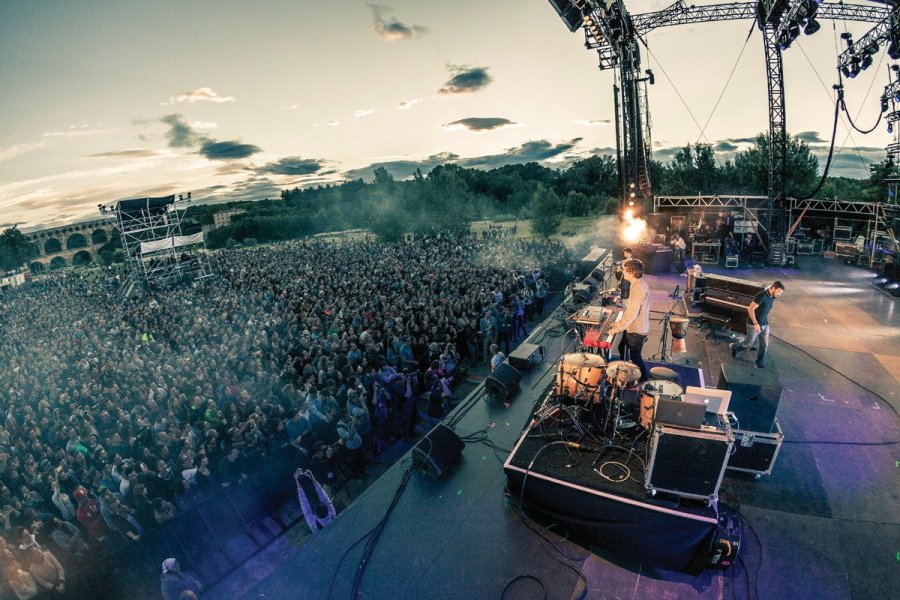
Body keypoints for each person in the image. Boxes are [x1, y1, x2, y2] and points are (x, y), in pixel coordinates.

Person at [608, 259, 651, 382]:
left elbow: (632, 314)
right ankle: (625, 372)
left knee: (635, 356)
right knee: (622, 348)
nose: (623, 272)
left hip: (636, 330)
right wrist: (619, 323)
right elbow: (630, 311)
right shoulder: (639, 284)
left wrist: (617, 328)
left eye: (624, 270)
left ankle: (644, 379)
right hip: (633, 328)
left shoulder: (637, 290)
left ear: (631, 272)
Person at [730, 281, 785, 368]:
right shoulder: (761, 296)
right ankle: (734, 347)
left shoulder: (772, 296)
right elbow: (750, 309)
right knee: (747, 344)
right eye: (778, 291)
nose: (779, 294)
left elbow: (764, 306)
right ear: (773, 288)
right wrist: (756, 324)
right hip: (753, 324)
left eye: (781, 293)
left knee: (764, 345)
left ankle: (759, 360)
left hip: (765, 324)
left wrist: (763, 323)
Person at [294, 468, 336, 534]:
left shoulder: (314, 526)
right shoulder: (332, 515)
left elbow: (305, 508)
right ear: (327, 510)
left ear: (315, 515)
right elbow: (325, 498)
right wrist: (313, 480)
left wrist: (297, 481)